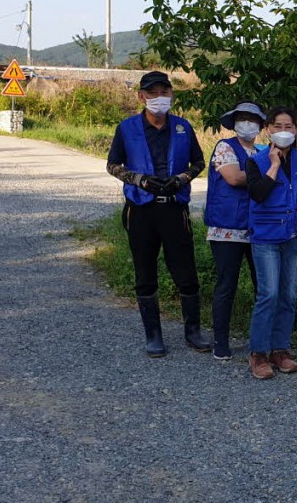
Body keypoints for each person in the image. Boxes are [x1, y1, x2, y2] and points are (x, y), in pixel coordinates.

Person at [106, 70, 211, 357]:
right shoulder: (127, 128)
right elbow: (112, 165)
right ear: (141, 96)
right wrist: (139, 180)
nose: (159, 98)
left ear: (171, 96)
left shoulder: (182, 127)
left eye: (164, 92)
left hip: (174, 207)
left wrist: (182, 178)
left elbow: (199, 161)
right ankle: (153, 335)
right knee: (145, 271)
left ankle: (193, 332)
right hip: (141, 208)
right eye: (152, 93)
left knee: (185, 271)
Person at [245, 106, 297, 380]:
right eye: (278, 126)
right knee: (268, 294)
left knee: (288, 295)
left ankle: (280, 350)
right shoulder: (256, 160)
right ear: (268, 129)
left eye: (289, 127)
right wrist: (273, 165)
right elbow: (258, 194)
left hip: (295, 236)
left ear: (296, 130)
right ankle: (258, 353)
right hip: (266, 237)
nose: (284, 132)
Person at [204, 101, 266, 360]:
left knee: (262, 288)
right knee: (226, 285)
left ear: (261, 125)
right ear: (234, 122)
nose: (247, 123)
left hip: (258, 230)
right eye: (242, 118)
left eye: (252, 119)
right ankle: (220, 341)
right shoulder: (225, 147)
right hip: (227, 228)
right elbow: (234, 177)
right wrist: (267, 175)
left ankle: (262, 342)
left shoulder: (263, 150)